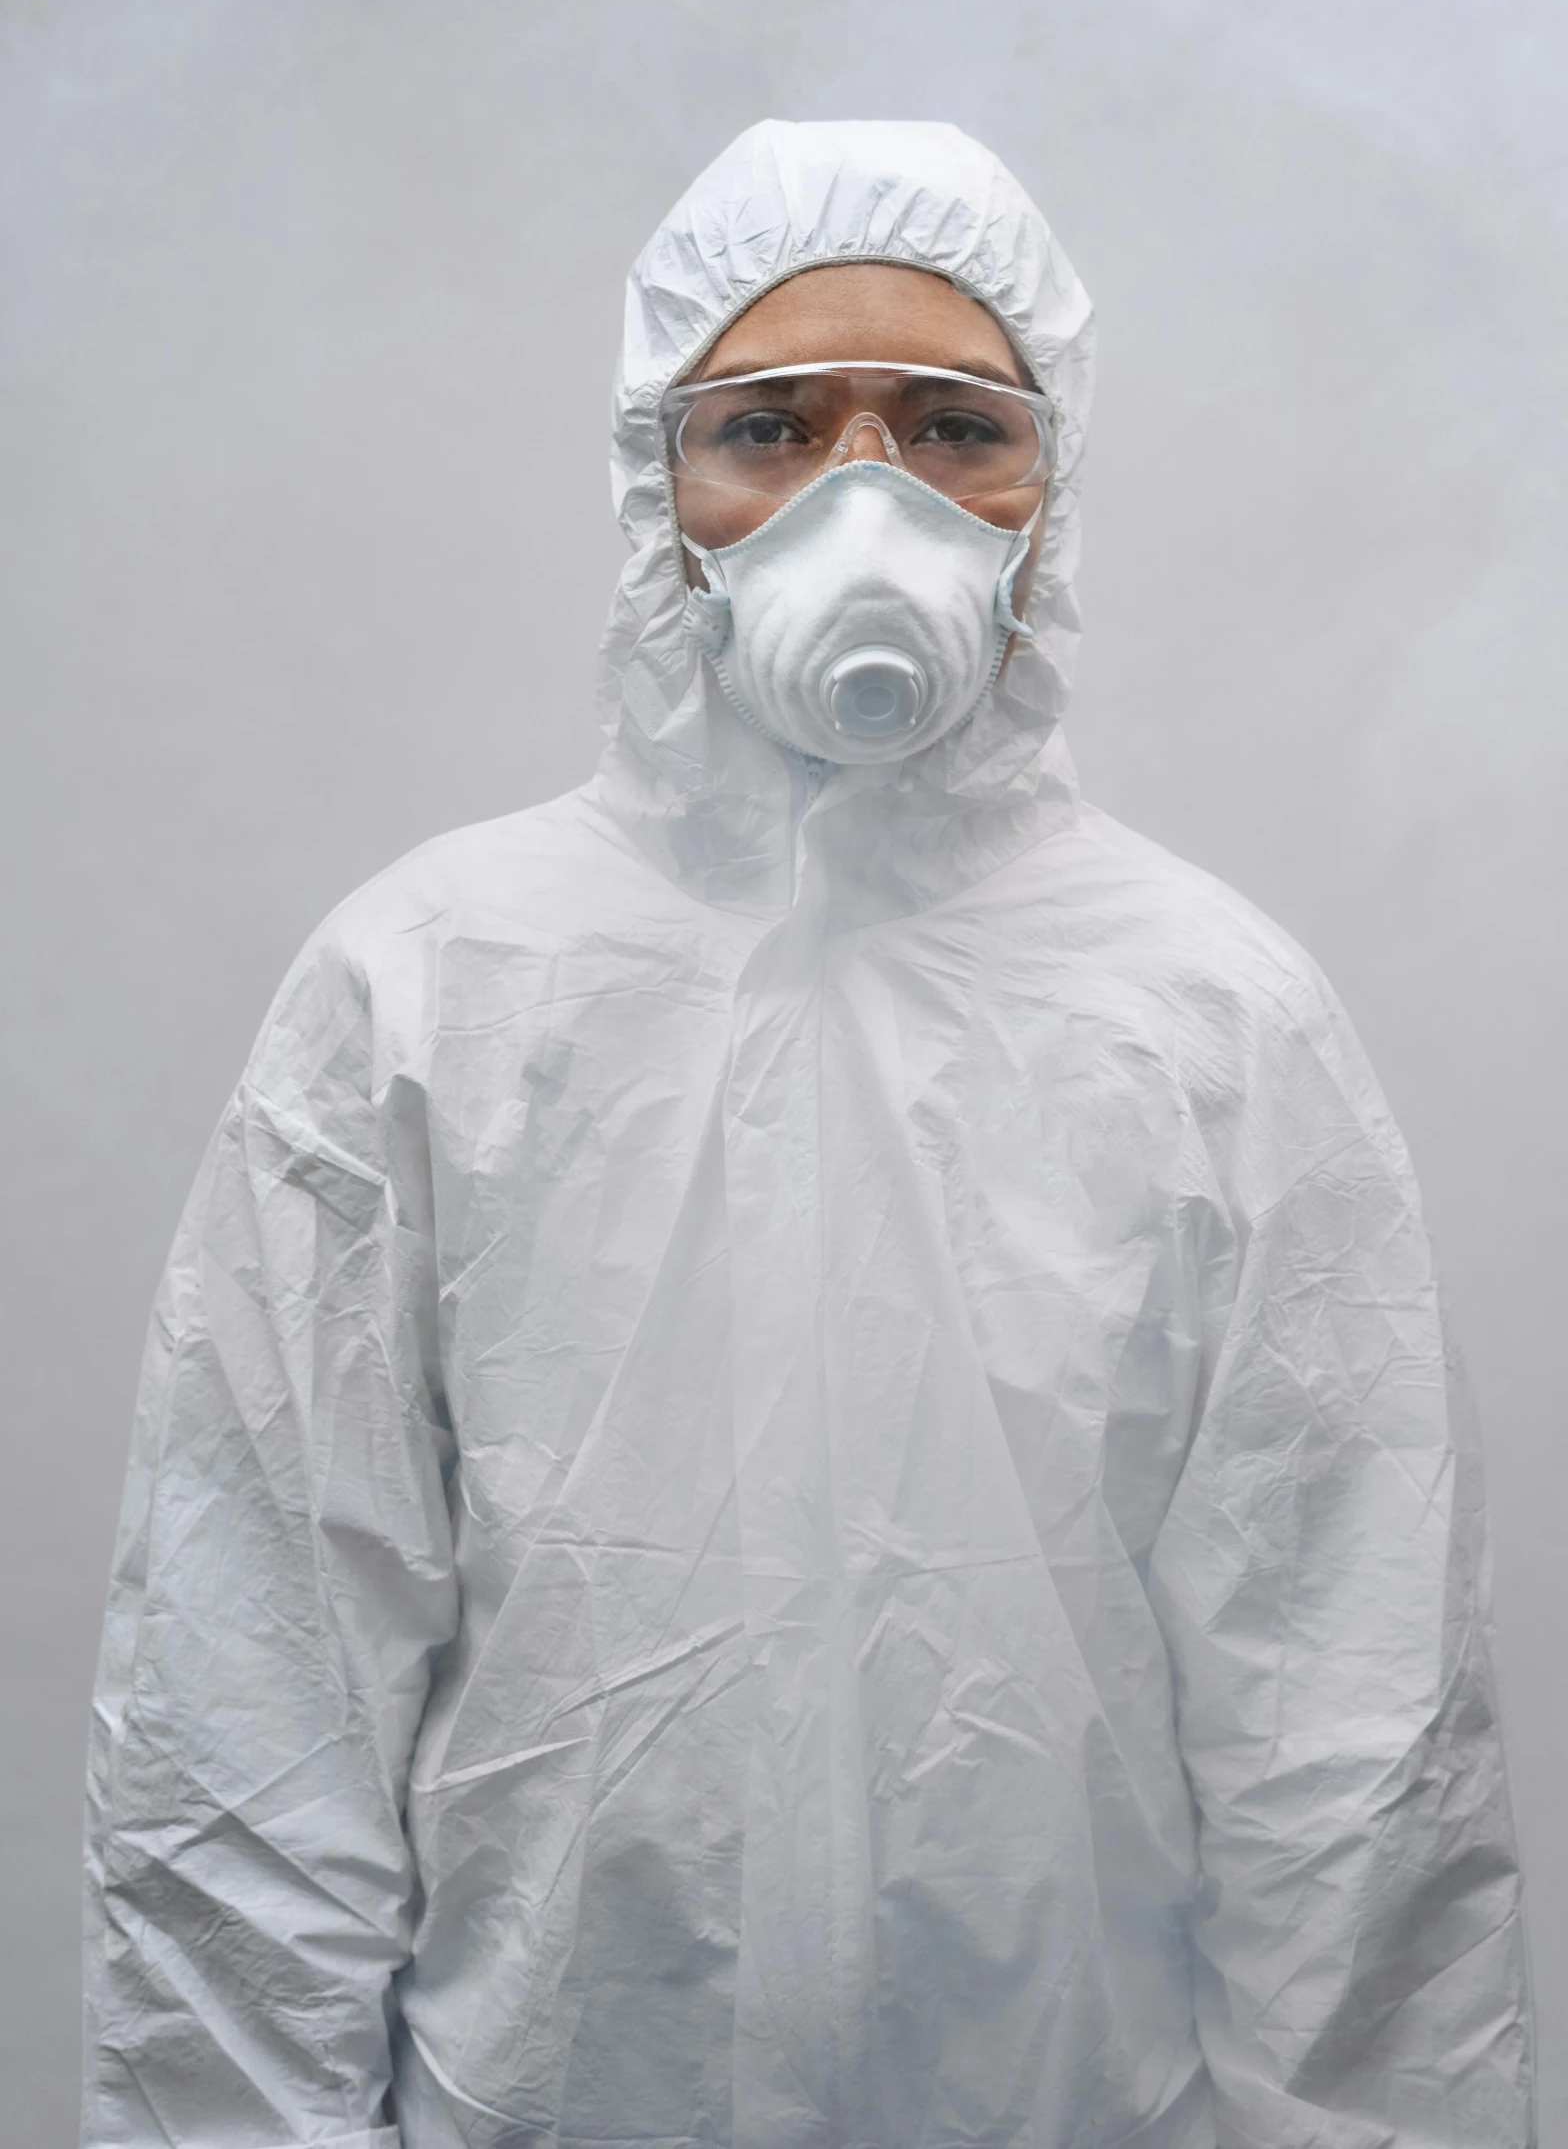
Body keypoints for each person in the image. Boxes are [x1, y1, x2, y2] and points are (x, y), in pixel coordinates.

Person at [82, 120, 1534, 2149]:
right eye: (767, 428)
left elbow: (1352, 1760)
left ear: (1052, 487)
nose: (869, 502)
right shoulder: (425, 991)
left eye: (952, 429)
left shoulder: (1212, 1018)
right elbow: (253, 1716)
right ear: (652, 487)